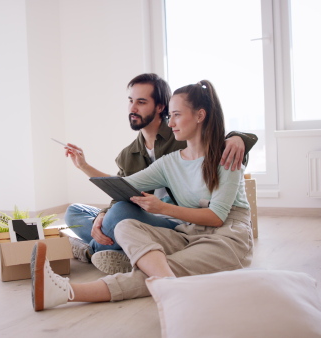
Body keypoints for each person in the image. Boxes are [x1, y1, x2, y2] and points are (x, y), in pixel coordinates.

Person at [31, 80, 253, 311]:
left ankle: (65, 292)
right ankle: (169, 286)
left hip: (227, 237)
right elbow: (122, 185)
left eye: (176, 115)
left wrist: (162, 208)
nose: (172, 122)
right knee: (124, 225)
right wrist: (83, 166)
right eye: (170, 116)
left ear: (200, 116)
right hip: (188, 233)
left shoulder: (227, 155)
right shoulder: (170, 162)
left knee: (160, 270)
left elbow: (217, 217)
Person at [63, 73, 257, 273]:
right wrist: (85, 171)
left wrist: (238, 138)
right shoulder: (129, 154)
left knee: (120, 214)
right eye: (130, 101)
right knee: (75, 212)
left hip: (177, 220)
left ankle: (92, 252)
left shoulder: (183, 137)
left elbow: (224, 154)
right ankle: (116, 250)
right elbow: (124, 188)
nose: (133, 108)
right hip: (146, 213)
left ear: (159, 107)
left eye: (141, 102)